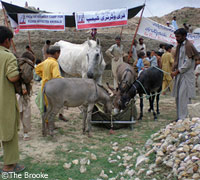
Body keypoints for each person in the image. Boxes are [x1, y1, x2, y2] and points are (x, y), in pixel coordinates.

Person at [0, 26, 25, 172]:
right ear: (7, 41)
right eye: (11, 40)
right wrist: (20, 73)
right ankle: (9, 165)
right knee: (8, 130)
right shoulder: (8, 56)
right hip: (4, 100)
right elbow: (12, 76)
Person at [171, 28, 199, 120]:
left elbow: (188, 63)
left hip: (186, 76)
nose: (176, 38)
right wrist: (174, 70)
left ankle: (184, 118)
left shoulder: (188, 46)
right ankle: (180, 117)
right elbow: (178, 60)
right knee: (178, 97)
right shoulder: (180, 46)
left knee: (184, 97)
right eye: (176, 36)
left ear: (184, 36)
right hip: (180, 75)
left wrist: (177, 71)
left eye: (178, 36)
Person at [35, 45, 67, 122]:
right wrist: (66, 81)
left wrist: (44, 77)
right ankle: (48, 124)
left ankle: (47, 123)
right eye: (59, 54)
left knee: (46, 105)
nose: (59, 56)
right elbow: (57, 76)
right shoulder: (54, 63)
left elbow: (37, 69)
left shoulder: (45, 61)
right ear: (56, 53)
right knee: (51, 106)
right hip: (51, 88)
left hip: (44, 86)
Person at [17, 51, 35, 141]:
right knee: (26, 113)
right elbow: (27, 78)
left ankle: (15, 131)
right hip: (23, 94)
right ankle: (25, 133)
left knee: (16, 113)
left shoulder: (17, 63)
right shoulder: (28, 65)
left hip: (15, 92)